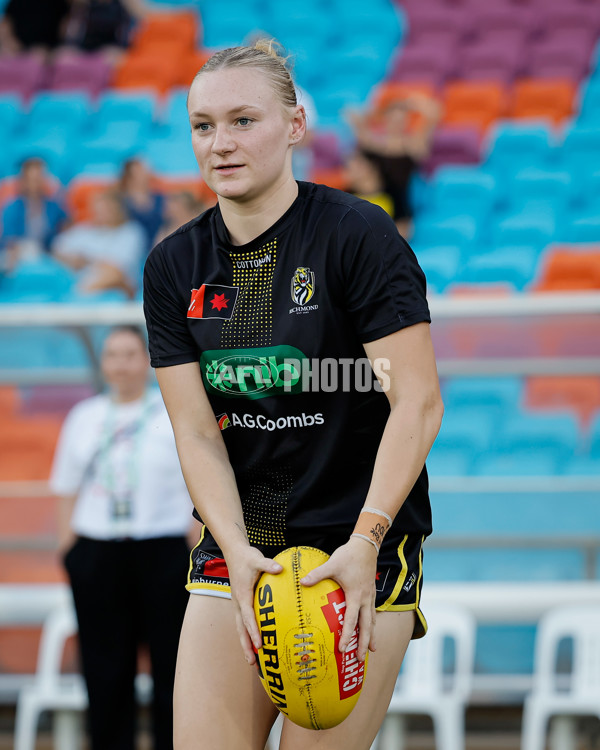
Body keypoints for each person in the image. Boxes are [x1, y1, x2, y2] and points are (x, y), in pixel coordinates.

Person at [143, 40, 443, 750]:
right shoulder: (172, 264)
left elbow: (419, 402)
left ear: (296, 126)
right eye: (203, 125)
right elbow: (196, 431)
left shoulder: (356, 234)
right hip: (241, 555)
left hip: (356, 550)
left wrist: (367, 540)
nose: (221, 143)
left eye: (244, 120)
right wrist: (237, 549)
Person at [50, 324, 196, 750]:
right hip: (99, 552)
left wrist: (192, 545)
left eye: (130, 354)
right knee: (105, 667)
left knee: (174, 666)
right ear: (103, 362)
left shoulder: (172, 413)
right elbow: (65, 487)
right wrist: (71, 550)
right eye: (112, 355)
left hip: (165, 552)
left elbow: (198, 483)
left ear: (147, 360)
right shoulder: (85, 417)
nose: (121, 364)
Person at [345, 93, 441, 239]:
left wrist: (411, 103)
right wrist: (377, 110)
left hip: (399, 207)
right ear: (385, 120)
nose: (396, 123)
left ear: (406, 121)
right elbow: (352, 115)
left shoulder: (412, 146)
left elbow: (433, 113)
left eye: (401, 119)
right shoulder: (373, 143)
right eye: (393, 118)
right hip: (372, 201)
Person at [52, 188, 145, 297]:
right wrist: (72, 260)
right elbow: (56, 249)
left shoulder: (131, 232)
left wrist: (86, 261)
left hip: (118, 287)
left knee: (114, 275)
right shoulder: (82, 230)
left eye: (107, 209)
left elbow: (118, 269)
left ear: (118, 209)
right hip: (82, 279)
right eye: (98, 209)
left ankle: (79, 296)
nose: (101, 213)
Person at [0, 157, 68, 270]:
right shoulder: (12, 208)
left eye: (39, 178)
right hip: (17, 252)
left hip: (46, 254)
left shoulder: (53, 207)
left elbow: (64, 229)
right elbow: (9, 241)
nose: (36, 183)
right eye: (32, 179)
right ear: (24, 181)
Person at [119, 157, 165, 254]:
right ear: (129, 175)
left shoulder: (161, 198)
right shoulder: (121, 202)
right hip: (131, 250)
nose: (145, 172)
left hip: (159, 247)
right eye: (140, 169)